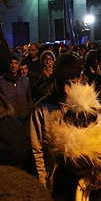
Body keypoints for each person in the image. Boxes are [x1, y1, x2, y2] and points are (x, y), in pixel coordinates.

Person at [31, 53, 85, 189]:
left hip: (82, 181)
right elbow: (36, 149)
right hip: (54, 182)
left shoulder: (88, 107)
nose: (66, 89)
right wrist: (43, 182)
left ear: (80, 77)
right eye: (63, 83)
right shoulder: (42, 108)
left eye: (72, 83)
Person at [0, 51, 34, 128]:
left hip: (26, 120)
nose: (13, 66)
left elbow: (29, 97)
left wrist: (29, 110)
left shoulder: (25, 81)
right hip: (11, 122)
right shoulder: (0, 82)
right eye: (11, 63)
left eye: (16, 63)